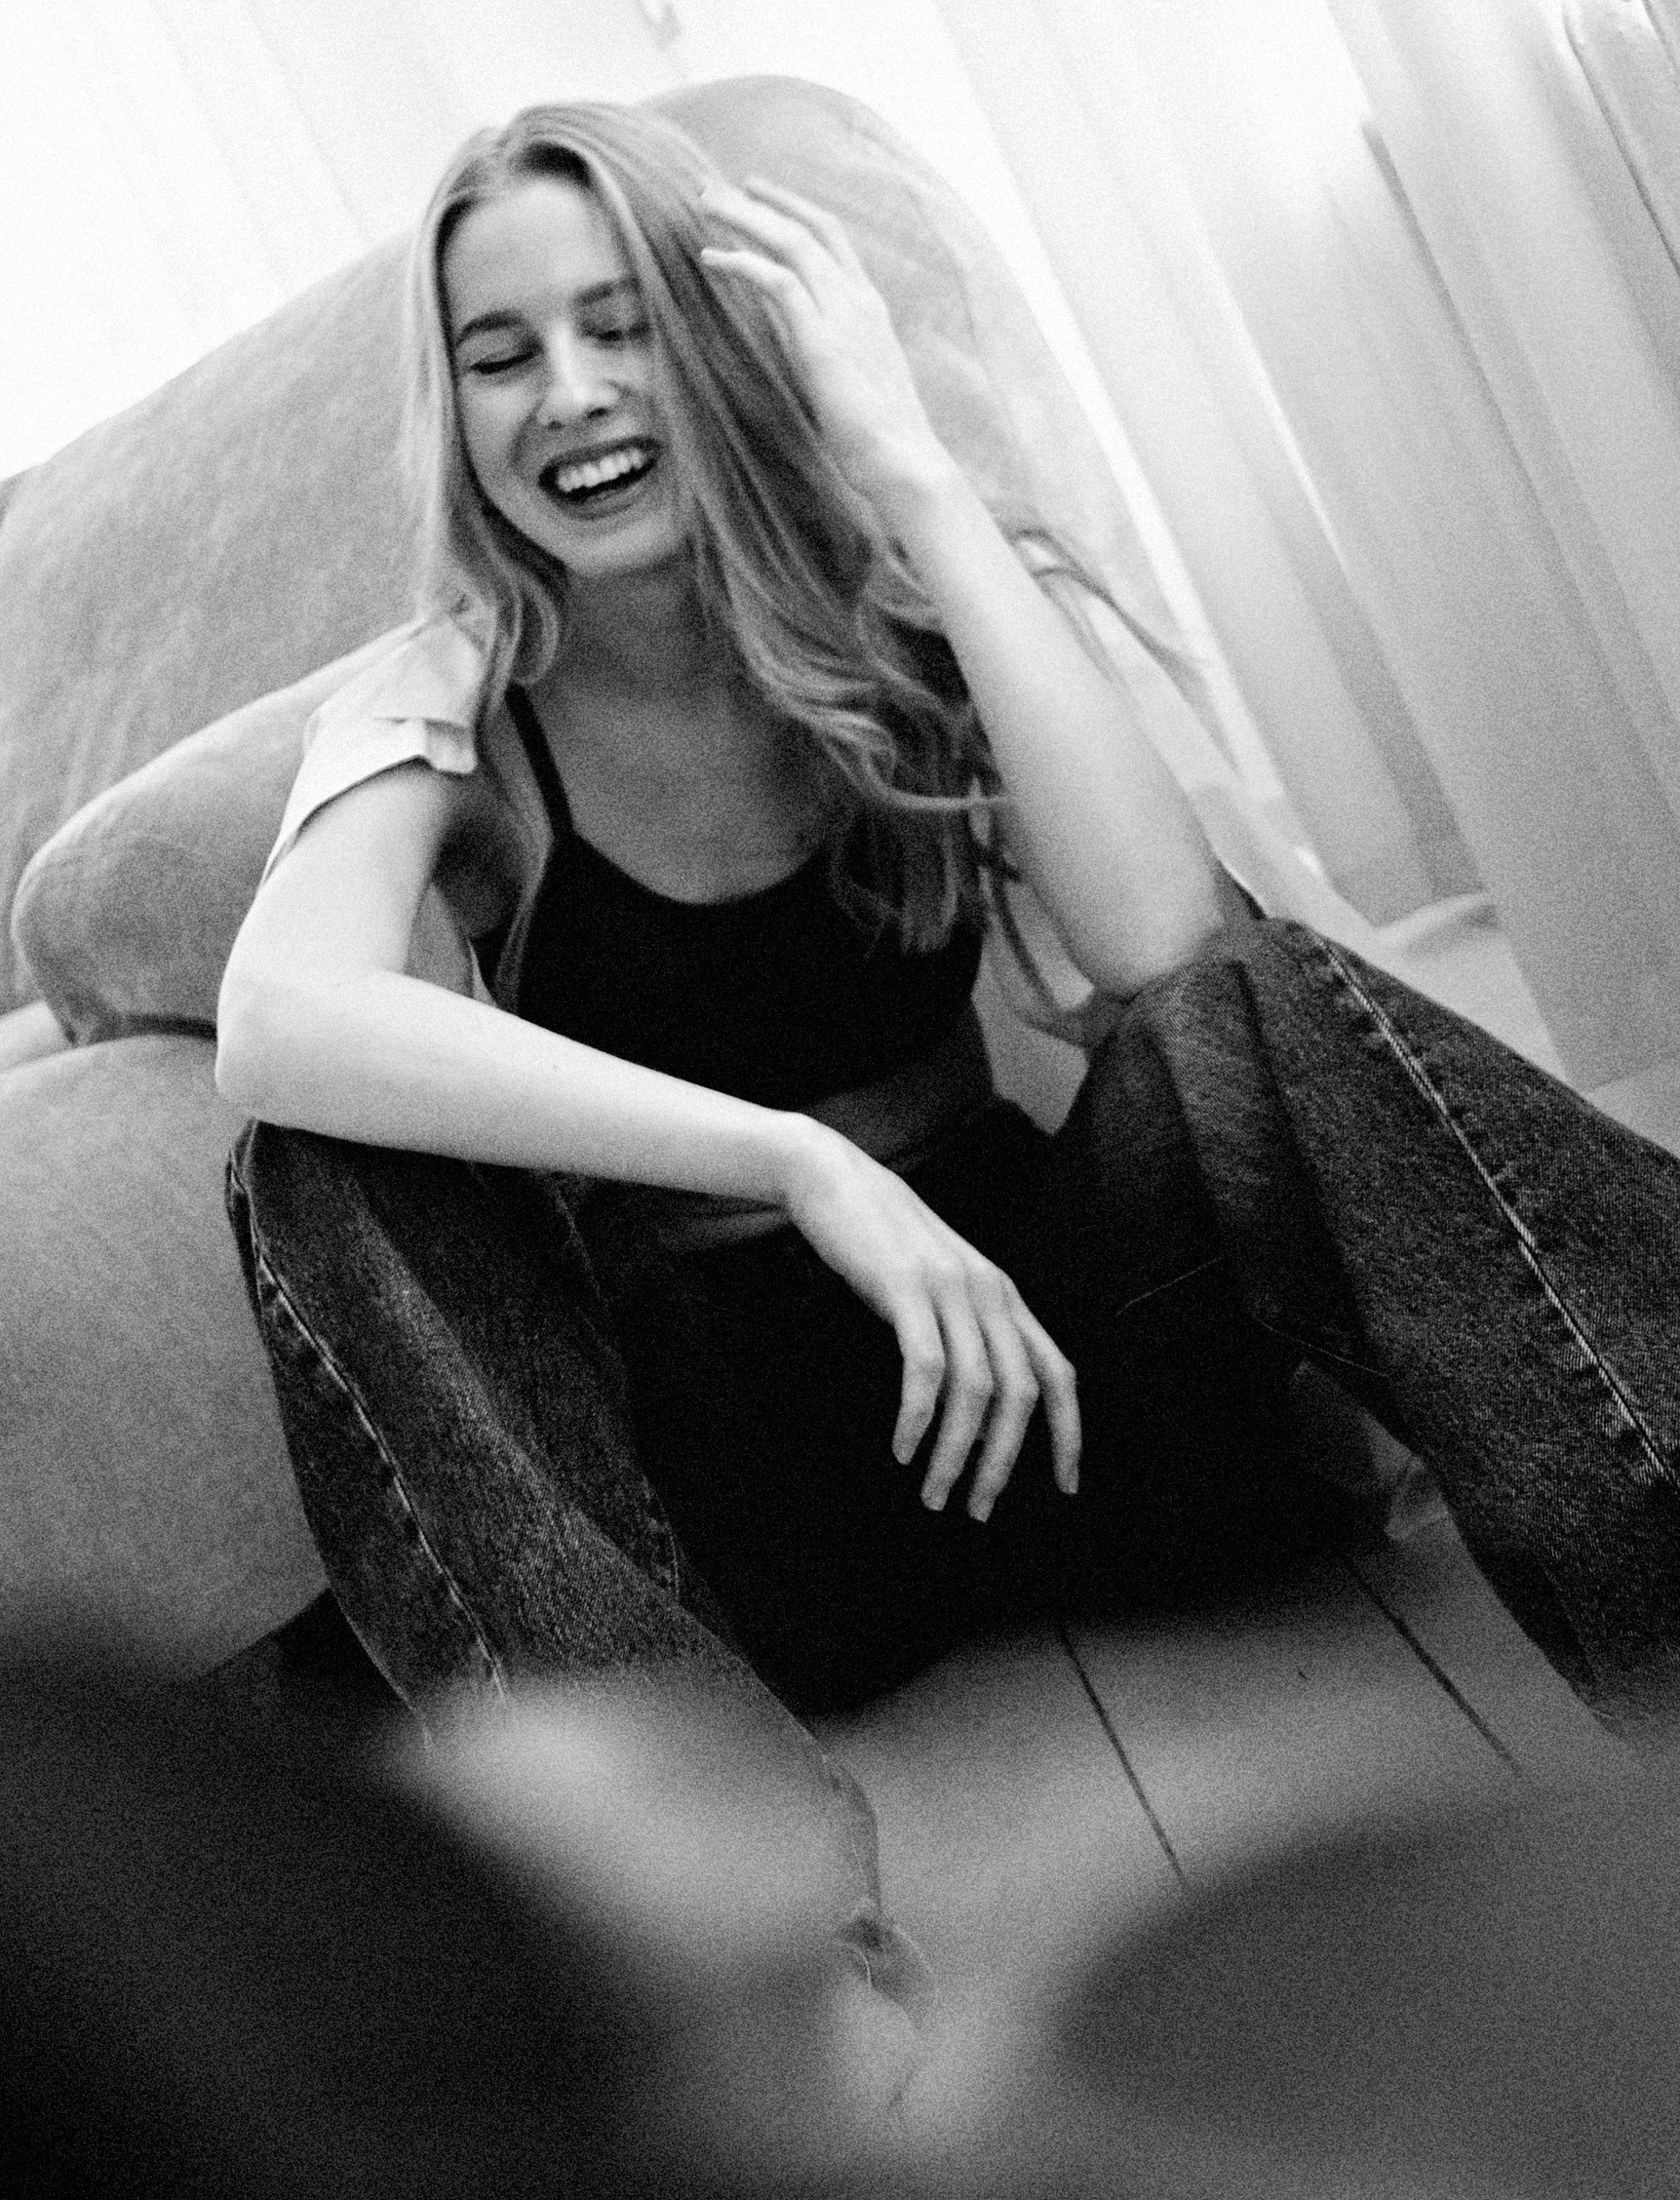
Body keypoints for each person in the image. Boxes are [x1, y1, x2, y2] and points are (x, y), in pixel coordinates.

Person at [215, 97, 1680, 1978]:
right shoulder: (450, 693)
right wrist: (799, 1163)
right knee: (315, 1160)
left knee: (1249, 993)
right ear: (457, 414)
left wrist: (905, 472)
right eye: (501, 356)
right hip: (754, 1511)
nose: (569, 395)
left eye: (624, 323)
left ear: (731, 333)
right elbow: (278, 1021)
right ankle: (718, 1922)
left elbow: (1160, 944)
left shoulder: (899, 594)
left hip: (1065, 1382)